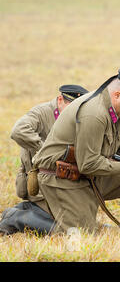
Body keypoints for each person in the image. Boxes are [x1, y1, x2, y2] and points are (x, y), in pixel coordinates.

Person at [26, 68, 120, 234]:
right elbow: (87, 164)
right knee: (82, 233)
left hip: (83, 175)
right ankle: (22, 216)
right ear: (117, 95)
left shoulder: (117, 111)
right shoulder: (94, 113)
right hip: (60, 177)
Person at [0, 85, 88, 236]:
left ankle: (25, 210)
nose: (74, 113)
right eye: (71, 107)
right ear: (60, 100)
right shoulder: (41, 113)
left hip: (62, 181)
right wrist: (46, 152)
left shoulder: (76, 119)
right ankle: (16, 218)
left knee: (82, 224)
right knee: (69, 231)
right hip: (40, 182)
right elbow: (18, 131)